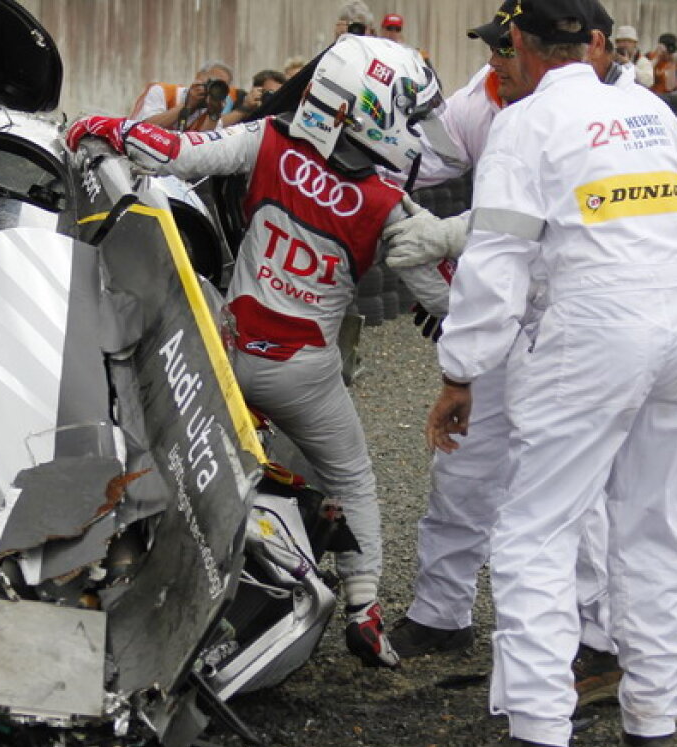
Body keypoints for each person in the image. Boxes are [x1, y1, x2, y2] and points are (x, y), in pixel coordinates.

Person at [67, 35, 452, 669]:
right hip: (304, 374)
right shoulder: (389, 204)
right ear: (372, 111)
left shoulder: (268, 138)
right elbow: (443, 295)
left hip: (222, 355)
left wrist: (96, 125)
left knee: (157, 458)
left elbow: (172, 154)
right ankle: (364, 609)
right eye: (407, 114)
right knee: (353, 478)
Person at [425, 0, 677, 747]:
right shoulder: (652, 111)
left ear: (516, 42)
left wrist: (461, 372)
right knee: (653, 523)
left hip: (591, 332)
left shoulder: (525, 126)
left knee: (535, 528)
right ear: (591, 42)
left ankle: (538, 733)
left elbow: (495, 266)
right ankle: (653, 720)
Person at [386, 0, 638, 708]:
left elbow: (526, 219)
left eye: (509, 49)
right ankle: (441, 613)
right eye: (497, 48)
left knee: (571, 493)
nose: (500, 61)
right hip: (500, 314)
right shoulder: (489, 96)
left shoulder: (621, 109)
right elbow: (423, 160)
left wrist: (448, 236)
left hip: (573, 325)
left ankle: (595, 641)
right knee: (460, 462)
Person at [129, 62, 238, 132]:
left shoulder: (213, 113)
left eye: (220, 85)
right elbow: (146, 127)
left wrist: (214, 114)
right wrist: (187, 106)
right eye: (211, 81)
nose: (214, 88)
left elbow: (205, 148)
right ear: (198, 77)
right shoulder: (163, 91)